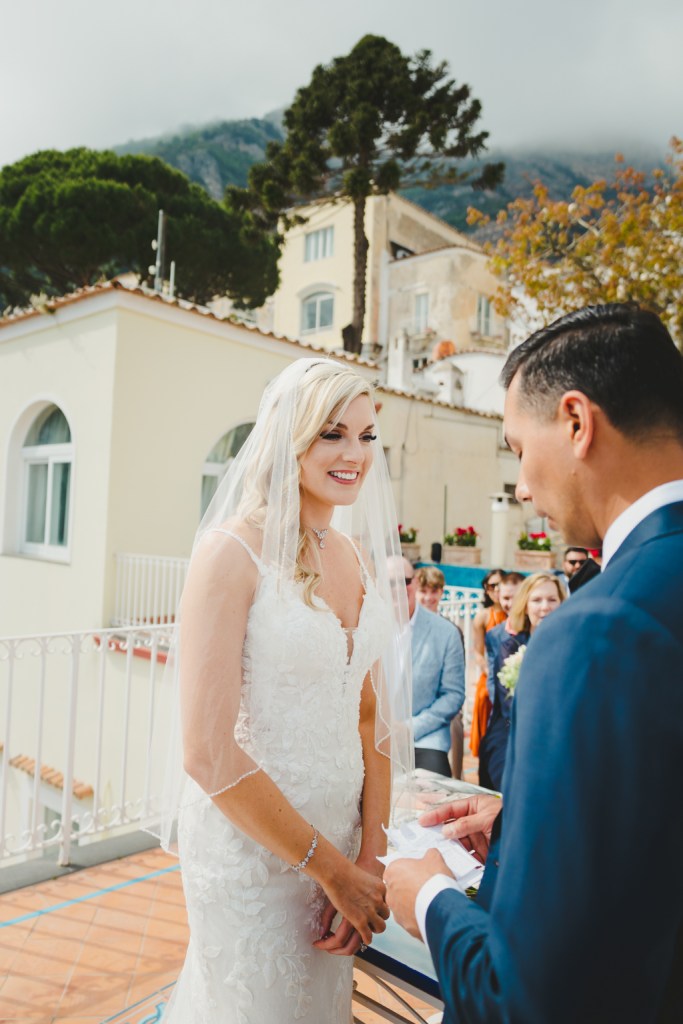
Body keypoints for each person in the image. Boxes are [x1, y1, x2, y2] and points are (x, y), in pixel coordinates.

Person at [385, 304, 683, 1023]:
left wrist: (425, 897)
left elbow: (526, 996)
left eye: (518, 447)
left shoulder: (598, 629)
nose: (519, 486)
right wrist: (523, 828)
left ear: (576, 422)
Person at [151, 359, 413, 1023]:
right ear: (287, 438)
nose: (354, 454)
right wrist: (331, 871)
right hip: (252, 855)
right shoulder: (229, 553)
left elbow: (370, 716)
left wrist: (370, 859)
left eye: (366, 435)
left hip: (346, 849)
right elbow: (207, 752)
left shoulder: (352, 557)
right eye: (331, 434)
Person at [478, 572, 565, 791]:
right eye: (537, 600)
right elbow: (509, 707)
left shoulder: (571, 644)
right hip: (512, 731)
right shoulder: (510, 647)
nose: (545, 607)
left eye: (552, 599)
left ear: (563, 603)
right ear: (525, 605)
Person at [389, 558, 465, 778]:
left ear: (414, 582)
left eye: (404, 581)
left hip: (424, 737)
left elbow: (453, 694)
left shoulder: (446, 632)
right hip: (372, 737)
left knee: (435, 795)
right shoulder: (364, 627)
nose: (398, 589)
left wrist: (409, 728)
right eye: (390, 582)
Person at [415, 565, 466, 779]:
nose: (428, 597)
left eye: (434, 591)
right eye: (424, 591)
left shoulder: (451, 631)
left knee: (456, 725)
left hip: (441, 711)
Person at [468, 569, 505, 758]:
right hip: (490, 671)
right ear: (486, 589)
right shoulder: (483, 616)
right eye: (492, 586)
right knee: (483, 696)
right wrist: (489, 670)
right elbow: (478, 652)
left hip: (511, 671)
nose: (497, 590)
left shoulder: (514, 613)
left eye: (500, 584)